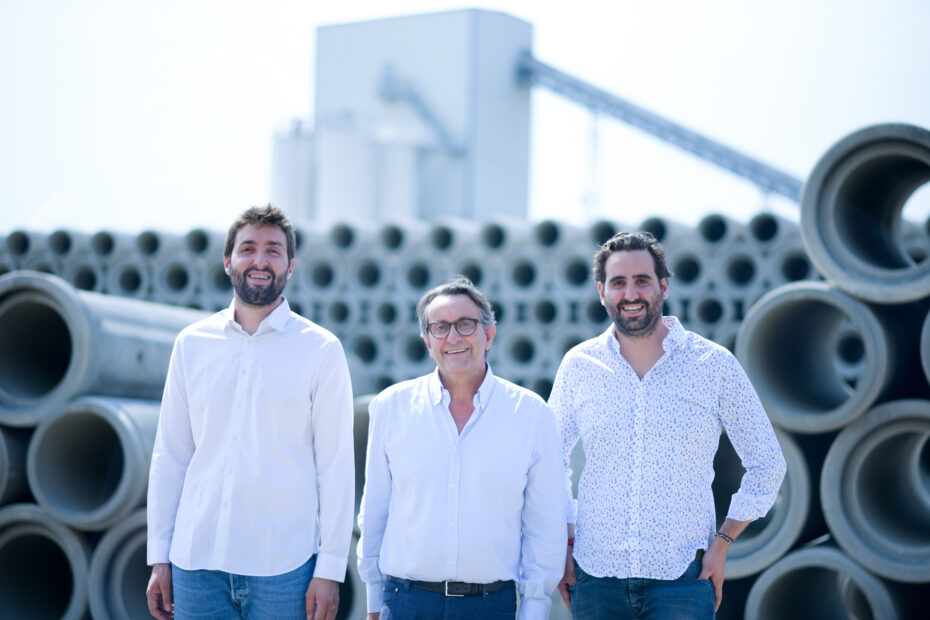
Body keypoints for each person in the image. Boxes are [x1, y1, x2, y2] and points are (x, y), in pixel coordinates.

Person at [549, 231, 786, 619]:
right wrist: (567, 539)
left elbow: (767, 464)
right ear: (602, 291)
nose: (631, 294)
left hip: (683, 580)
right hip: (595, 578)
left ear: (664, 286)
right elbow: (547, 459)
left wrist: (723, 542)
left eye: (642, 280)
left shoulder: (713, 365)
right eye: (618, 282)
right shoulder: (579, 366)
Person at [145, 205, 354, 620]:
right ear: (228, 261)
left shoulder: (321, 350)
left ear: (290, 266)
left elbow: (335, 466)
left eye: (273, 250)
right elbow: (171, 455)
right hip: (195, 564)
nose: (260, 260)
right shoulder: (191, 344)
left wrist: (330, 569)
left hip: (284, 568)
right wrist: (159, 557)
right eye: (248, 249)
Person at [356, 277, 565, 620]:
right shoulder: (391, 407)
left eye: (465, 324)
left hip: (490, 605)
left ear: (489, 334)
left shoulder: (530, 414)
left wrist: (534, 609)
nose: (453, 337)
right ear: (428, 342)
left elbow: (544, 524)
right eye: (440, 328)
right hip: (406, 602)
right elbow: (375, 510)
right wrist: (374, 602)